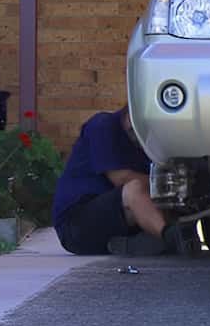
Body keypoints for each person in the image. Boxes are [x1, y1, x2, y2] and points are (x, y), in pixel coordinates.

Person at [51, 107, 191, 256]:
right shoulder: (102, 126)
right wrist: (177, 183)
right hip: (75, 224)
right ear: (131, 114)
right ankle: (170, 238)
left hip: (115, 220)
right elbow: (120, 178)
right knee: (136, 188)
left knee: (164, 193)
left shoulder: (147, 142)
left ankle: (136, 243)